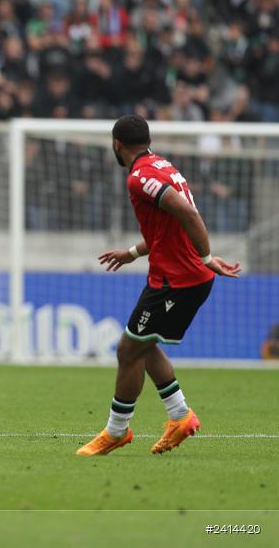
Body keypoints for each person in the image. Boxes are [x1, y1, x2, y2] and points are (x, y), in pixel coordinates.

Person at [77, 115, 241, 456]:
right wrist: (134, 252)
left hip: (177, 280)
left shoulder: (139, 177)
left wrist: (208, 257)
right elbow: (168, 227)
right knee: (143, 345)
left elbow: (189, 215)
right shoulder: (162, 165)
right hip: (176, 276)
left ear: (117, 144)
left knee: (128, 349)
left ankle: (116, 431)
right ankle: (180, 415)